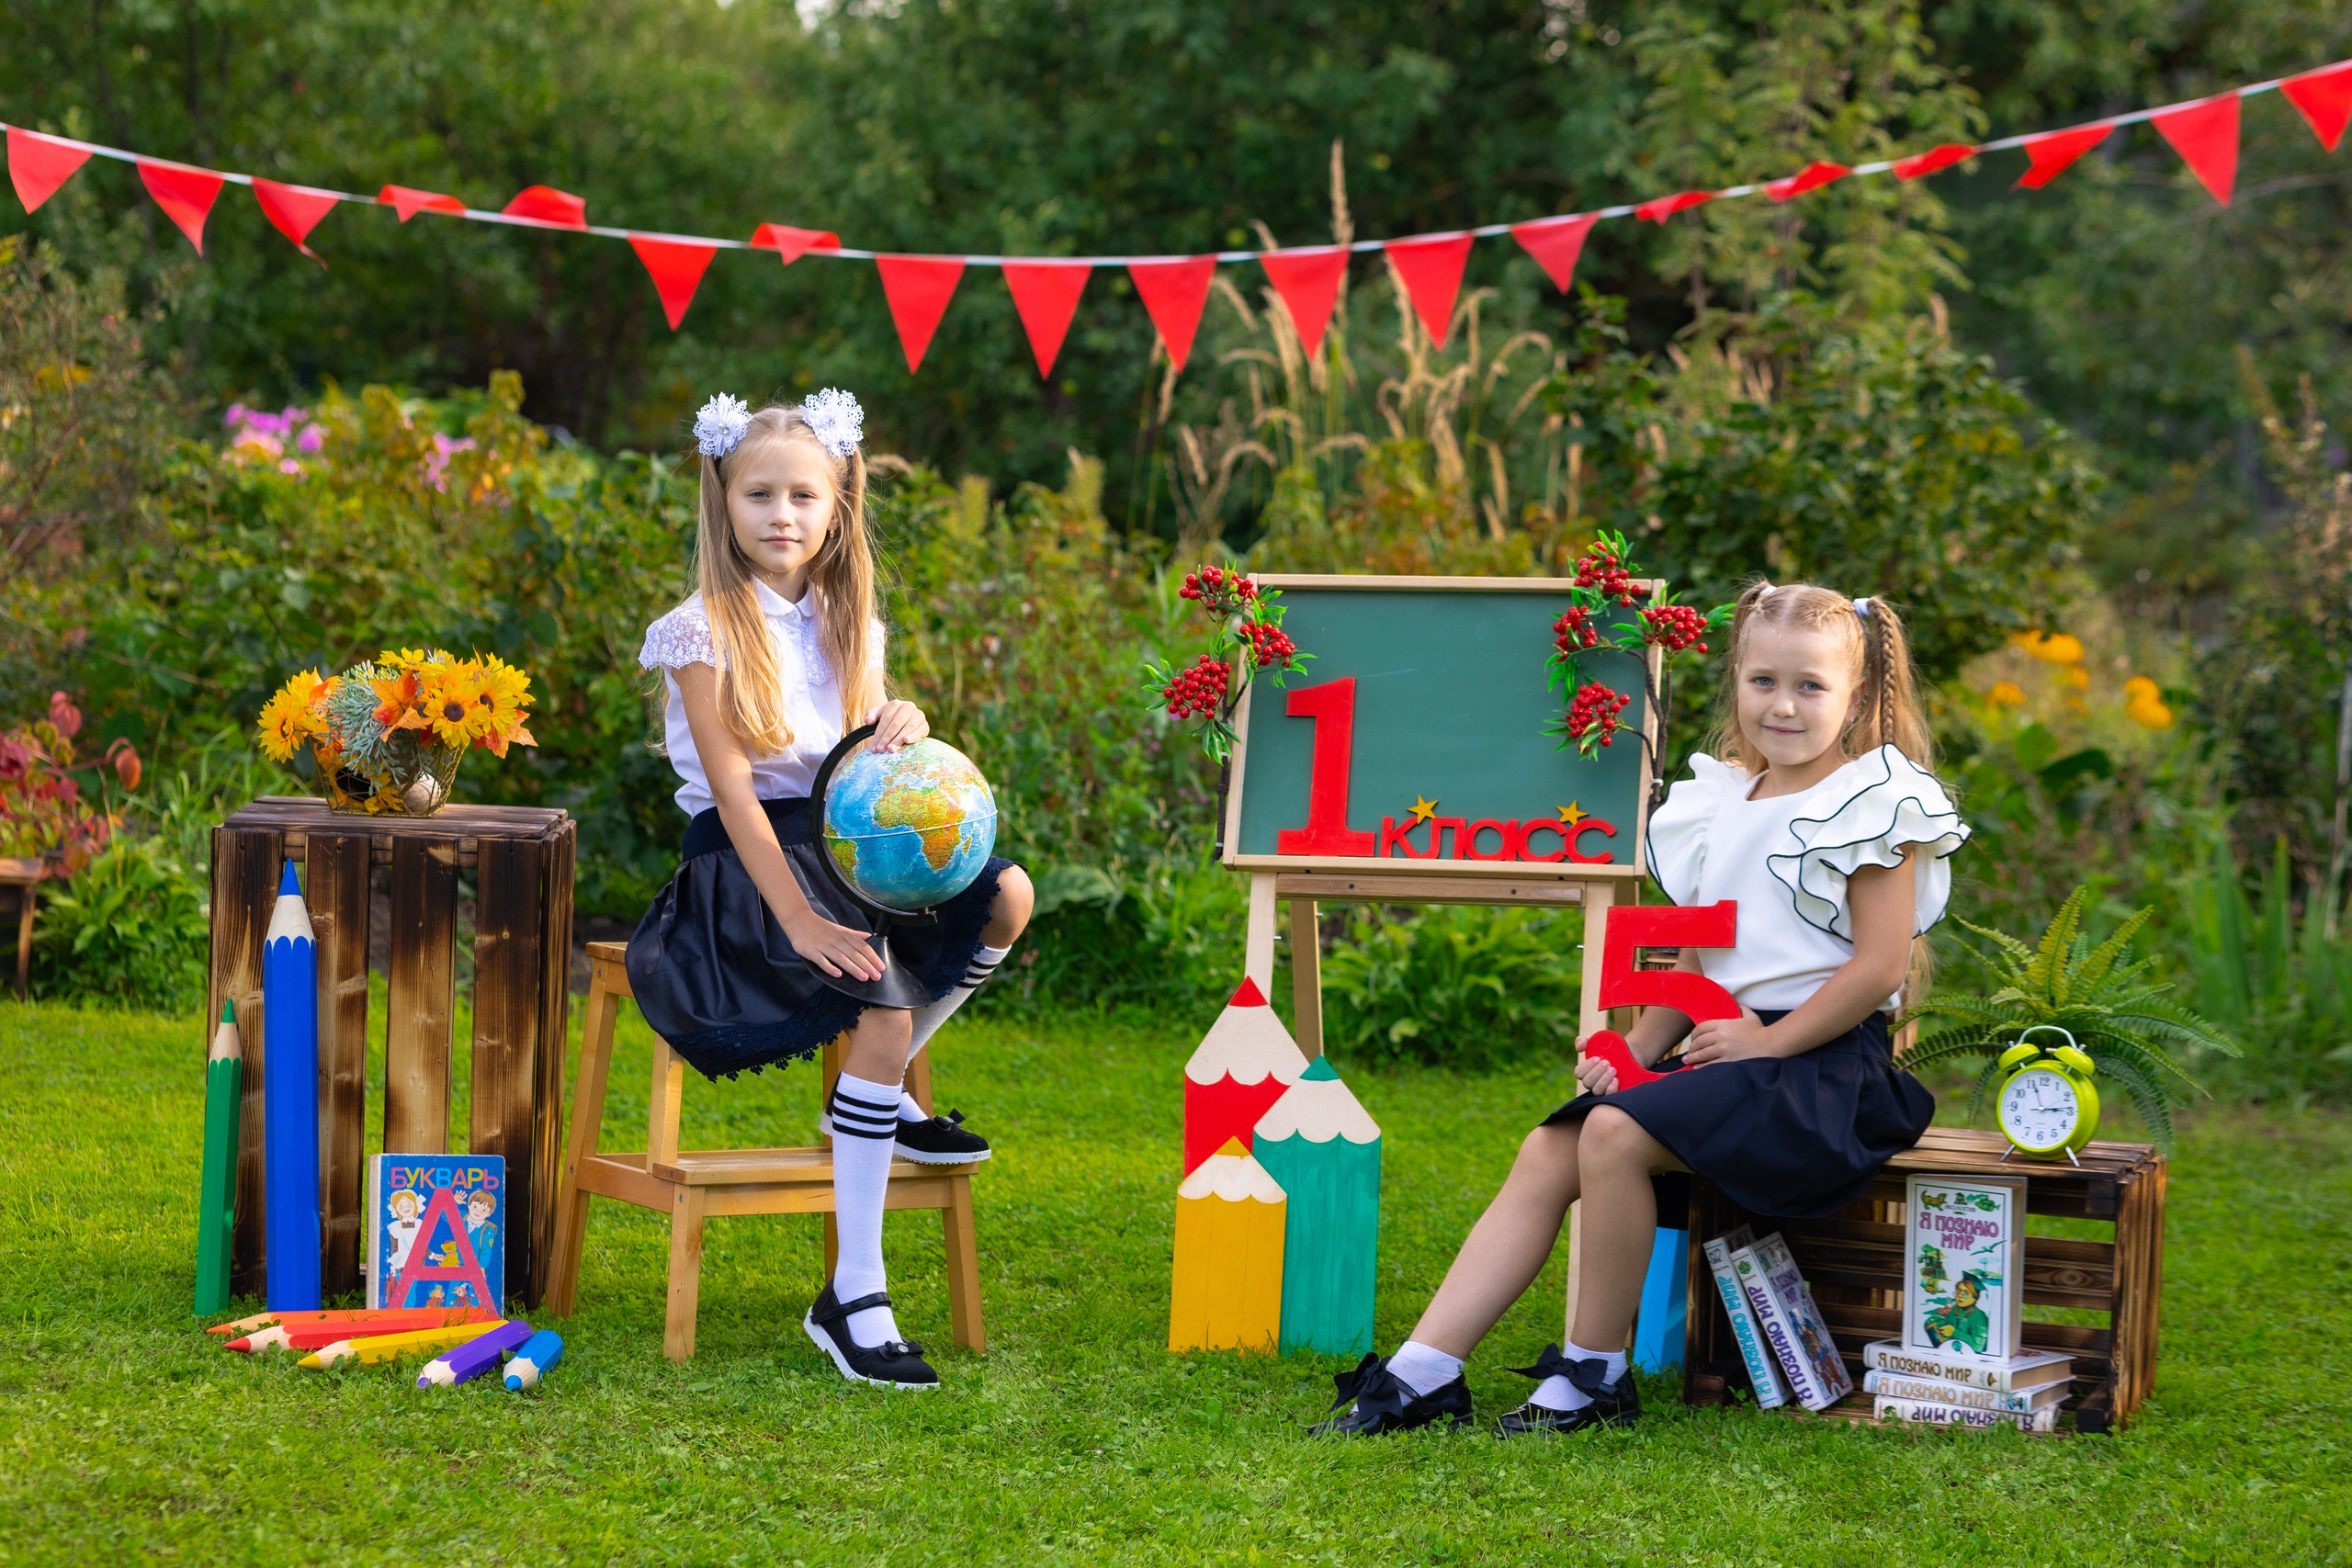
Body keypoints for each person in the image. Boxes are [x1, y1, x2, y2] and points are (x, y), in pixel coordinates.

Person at [1316, 581, 1967, 1436]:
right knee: (1553, 1141)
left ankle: (1594, 1375)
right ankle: (1426, 1368)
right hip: (1728, 1050)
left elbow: (1877, 966)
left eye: (1811, 685)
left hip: (1822, 1069)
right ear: (1736, 680)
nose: (1783, 704)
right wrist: (1635, 1050)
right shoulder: (1723, 801)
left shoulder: (1874, 803)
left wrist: (1766, 1043)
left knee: (1613, 1135)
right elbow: (1697, 954)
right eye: (1763, 680)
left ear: (1856, 697)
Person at [626, 389, 1034, 1391]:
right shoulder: (698, 631)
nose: (782, 515)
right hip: (747, 863)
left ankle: (879, 1098)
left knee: (1008, 895)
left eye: (804, 496)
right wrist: (802, 918)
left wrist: (900, 714)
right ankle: (853, 1294)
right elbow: (733, 793)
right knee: (882, 1007)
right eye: (758, 493)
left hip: (850, 849)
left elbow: (859, 764)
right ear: (721, 500)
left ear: (838, 506)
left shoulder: (854, 621)